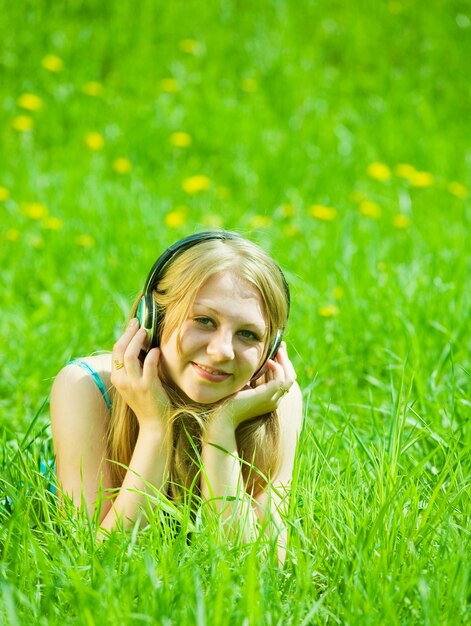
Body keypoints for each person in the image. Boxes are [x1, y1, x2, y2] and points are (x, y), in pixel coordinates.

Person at [50, 231, 303, 563]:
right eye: (203, 320)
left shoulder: (275, 397)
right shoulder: (86, 387)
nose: (222, 351)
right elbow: (97, 563)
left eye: (247, 334)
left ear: (269, 347)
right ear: (151, 318)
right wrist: (155, 428)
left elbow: (261, 568)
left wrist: (222, 431)